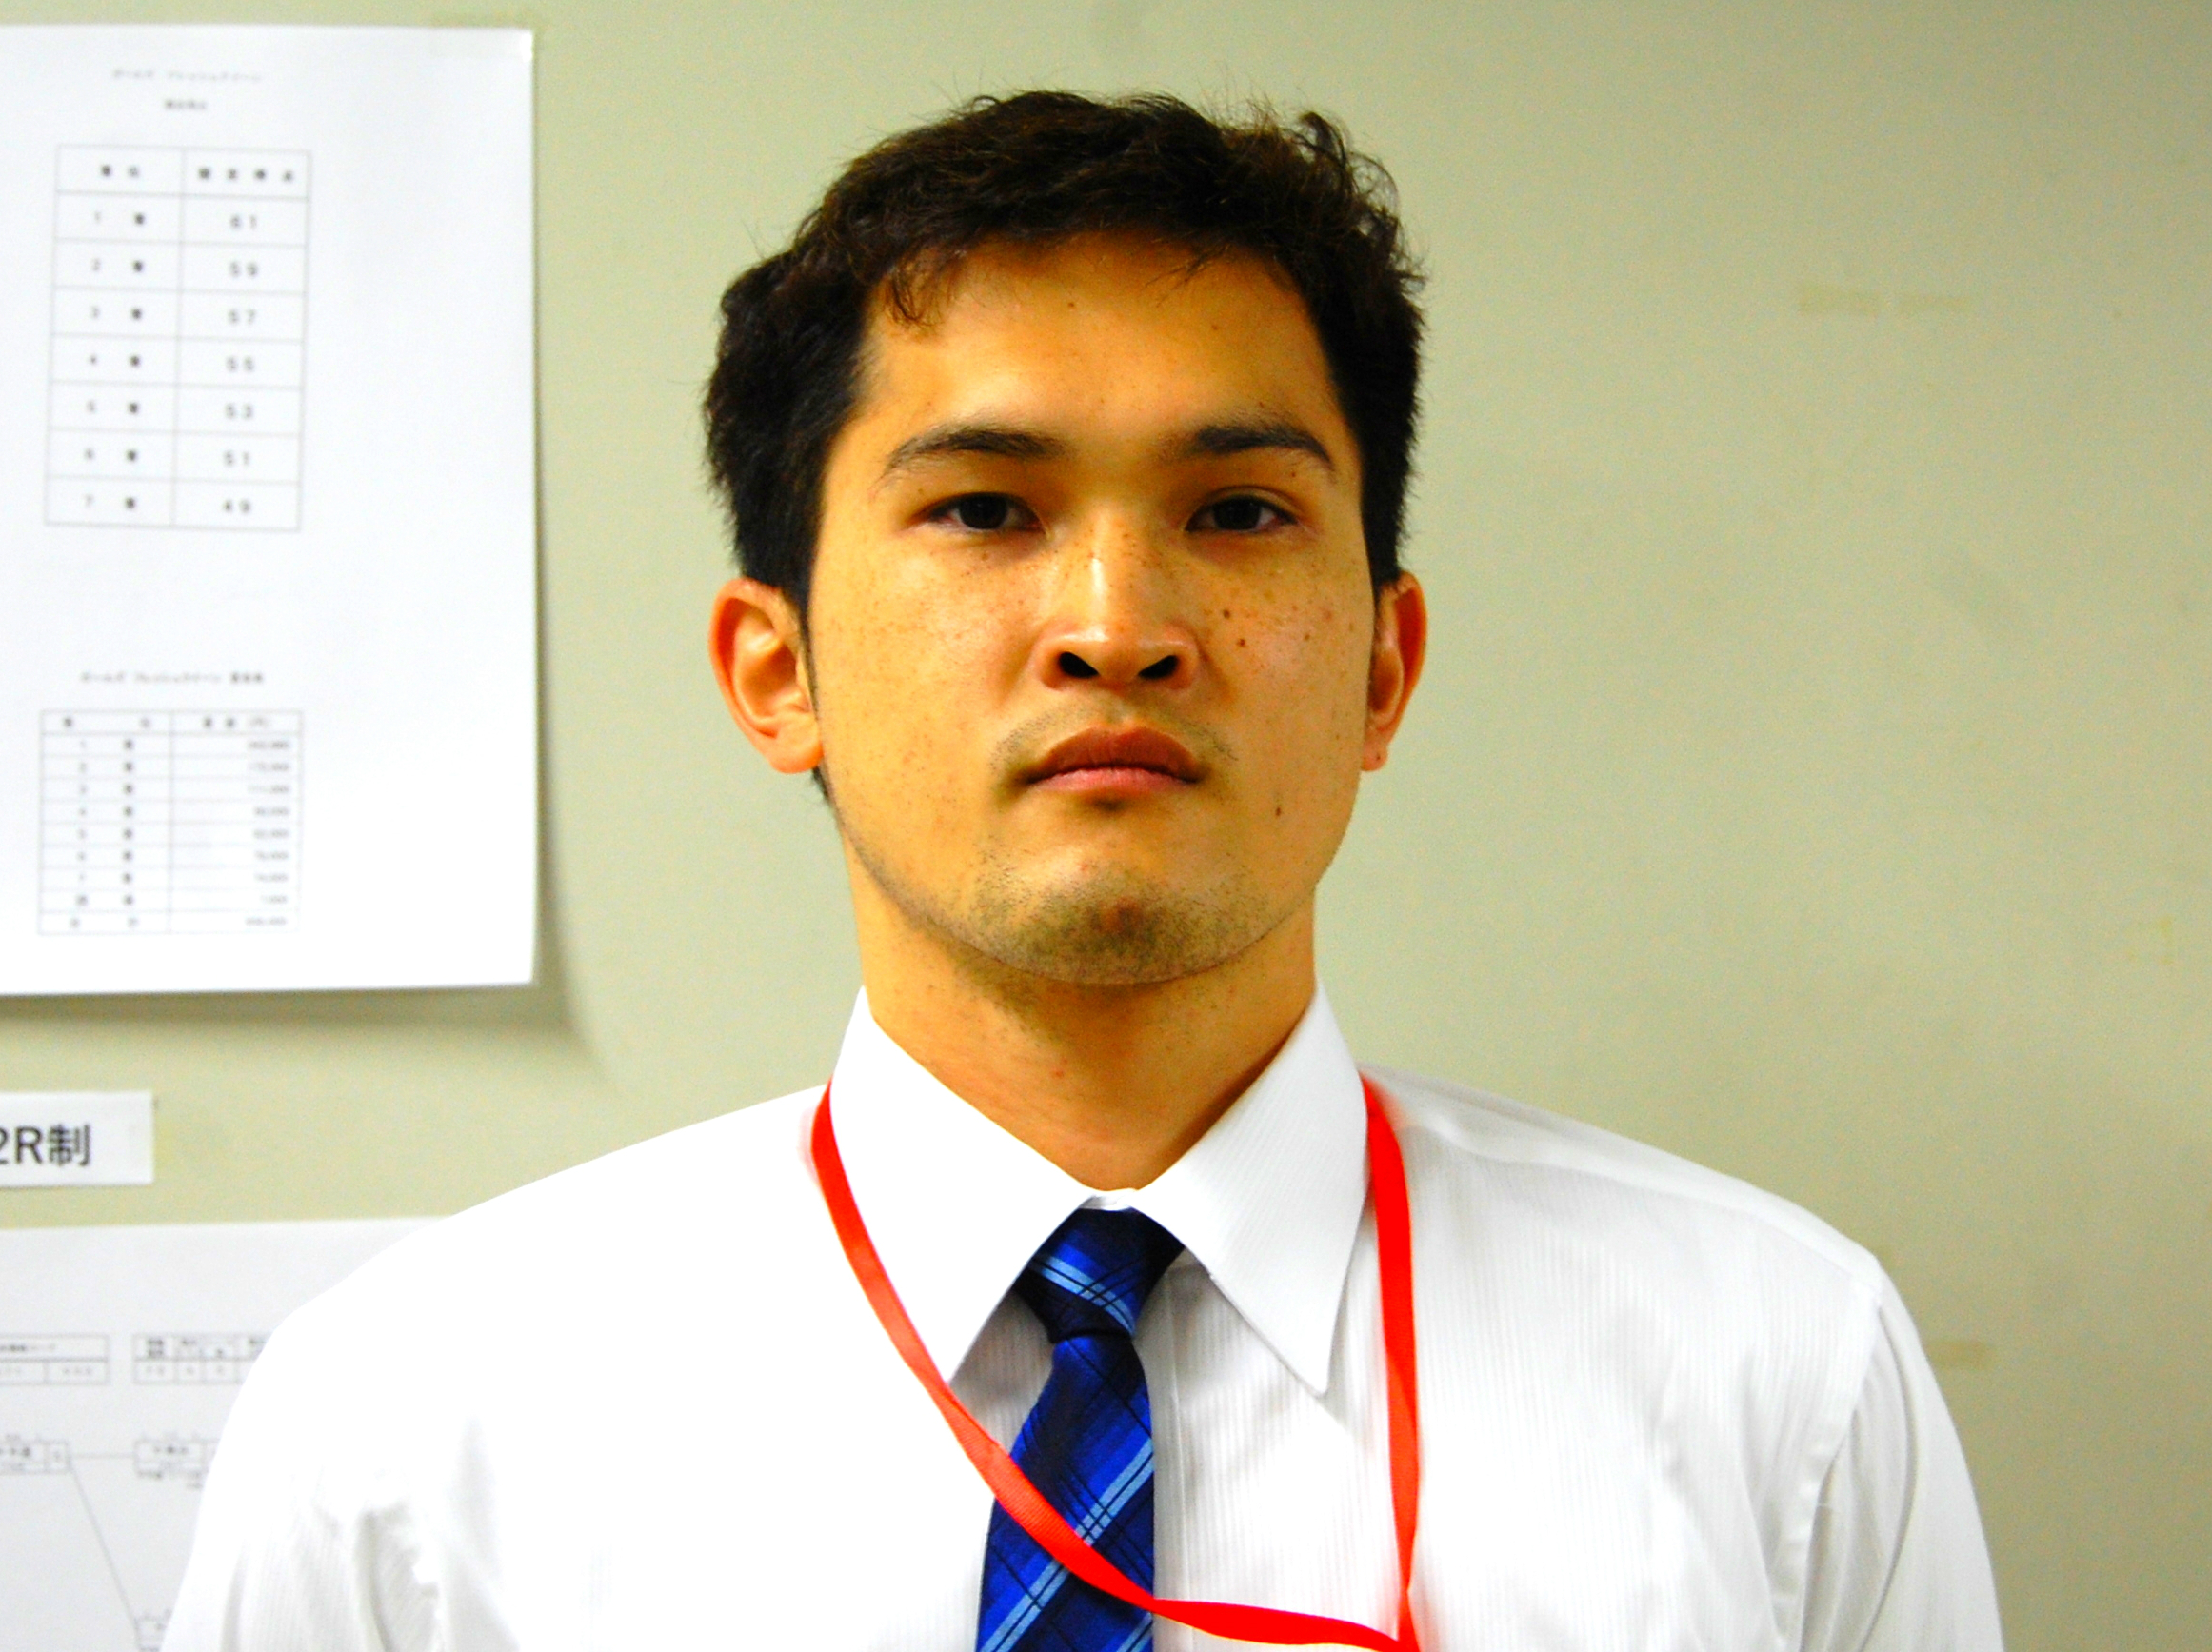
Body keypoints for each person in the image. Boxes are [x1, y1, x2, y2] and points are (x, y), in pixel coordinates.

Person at [166, 92, 2003, 1650]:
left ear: (1383, 669)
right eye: (984, 509)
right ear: (777, 671)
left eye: (1240, 512)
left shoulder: (1778, 1372)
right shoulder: (410, 1429)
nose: (1118, 627)